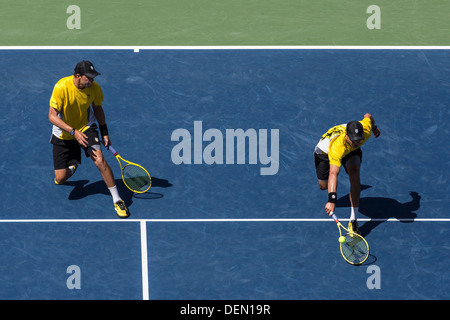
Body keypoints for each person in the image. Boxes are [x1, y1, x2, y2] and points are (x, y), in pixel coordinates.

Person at [48, 60, 130, 218]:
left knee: (99, 160)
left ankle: (117, 199)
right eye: (89, 78)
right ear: (78, 76)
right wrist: (73, 132)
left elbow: (97, 109)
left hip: (86, 128)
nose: (92, 81)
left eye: (93, 78)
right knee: (60, 178)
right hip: (64, 132)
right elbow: (52, 116)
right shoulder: (61, 87)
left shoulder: (94, 88)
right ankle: (73, 165)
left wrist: (104, 132)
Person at [314, 113, 381, 234]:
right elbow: (333, 173)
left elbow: (368, 116)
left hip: (350, 152)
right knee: (323, 186)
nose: (357, 142)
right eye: (354, 139)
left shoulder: (365, 131)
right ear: (346, 135)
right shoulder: (337, 147)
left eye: (358, 139)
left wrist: (375, 127)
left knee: (354, 175)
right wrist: (332, 200)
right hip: (324, 152)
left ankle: (353, 220)